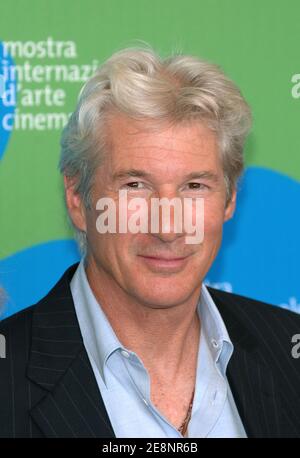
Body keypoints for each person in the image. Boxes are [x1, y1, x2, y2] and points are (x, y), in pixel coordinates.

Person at [1, 47, 300, 438]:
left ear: (229, 199)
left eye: (194, 186)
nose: (167, 227)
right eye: (135, 186)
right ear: (78, 198)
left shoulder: (289, 354)